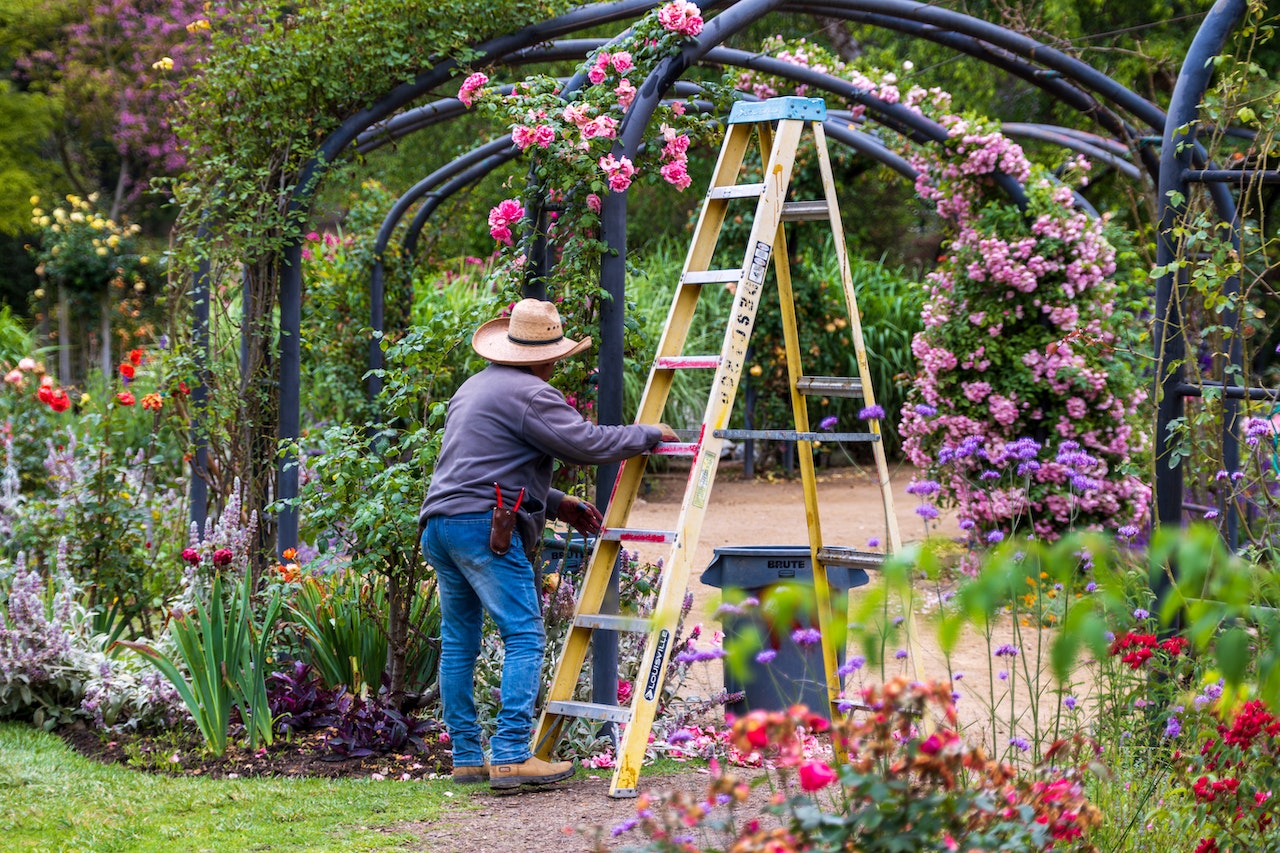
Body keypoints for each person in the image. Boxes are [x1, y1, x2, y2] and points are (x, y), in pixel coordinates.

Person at [420, 297, 677, 791]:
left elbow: (482, 465)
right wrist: (647, 434)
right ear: (547, 356)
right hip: (484, 527)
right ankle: (512, 753)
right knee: (524, 635)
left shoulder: (473, 387)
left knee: (459, 642)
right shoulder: (532, 394)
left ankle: (467, 757)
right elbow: (587, 444)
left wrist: (556, 503)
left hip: (440, 525)